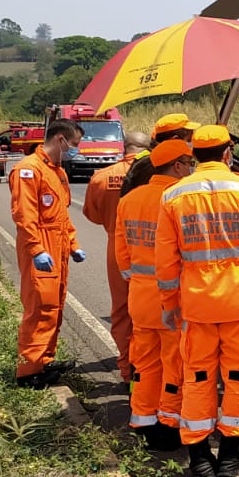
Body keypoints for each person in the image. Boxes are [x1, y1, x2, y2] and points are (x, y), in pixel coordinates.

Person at [154, 124, 239, 477]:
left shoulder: (173, 195)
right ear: (228, 153)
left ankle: (199, 460)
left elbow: (165, 260)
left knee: (197, 378)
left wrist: (169, 303)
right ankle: (229, 455)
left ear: (194, 157)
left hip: (195, 307)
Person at [114, 137, 194, 453]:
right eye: (189, 163)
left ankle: (142, 421)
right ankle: (168, 426)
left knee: (145, 364)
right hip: (172, 298)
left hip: (140, 296)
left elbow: (122, 255)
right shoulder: (179, 199)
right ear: (177, 165)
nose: (191, 169)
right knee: (175, 366)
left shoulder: (129, 200)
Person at [9, 118, 86, 387]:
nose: (77, 149)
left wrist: (73, 245)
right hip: (40, 247)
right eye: (75, 144)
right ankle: (29, 371)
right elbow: (25, 215)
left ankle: (45, 360)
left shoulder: (57, 171)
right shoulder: (28, 170)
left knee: (54, 308)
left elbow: (61, 216)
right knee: (39, 309)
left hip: (58, 248)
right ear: (60, 140)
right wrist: (36, 249)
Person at [82, 132, 151, 380]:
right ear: (148, 148)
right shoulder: (158, 175)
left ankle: (127, 368)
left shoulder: (102, 177)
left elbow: (92, 214)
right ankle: (152, 369)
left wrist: (113, 224)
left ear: (124, 148)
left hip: (116, 245)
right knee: (154, 310)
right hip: (153, 246)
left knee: (122, 311)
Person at [120, 112, 196, 199]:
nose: (192, 142)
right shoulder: (151, 163)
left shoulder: (149, 159)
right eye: (189, 139)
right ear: (175, 139)